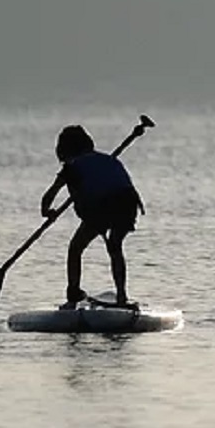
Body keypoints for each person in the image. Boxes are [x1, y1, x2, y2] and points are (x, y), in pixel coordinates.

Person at [39, 125, 146, 308]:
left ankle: (73, 296)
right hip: (127, 204)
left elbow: (48, 197)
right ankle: (121, 296)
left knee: (75, 248)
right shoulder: (106, 159)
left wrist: (47, 212)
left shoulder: (71, 167)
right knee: (115, 247)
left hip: (103, 206)